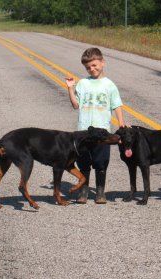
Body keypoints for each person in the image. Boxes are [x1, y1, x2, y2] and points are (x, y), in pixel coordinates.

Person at [66, 47, 125, 204]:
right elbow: (75, 105)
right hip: (83, 132)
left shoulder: (109, 85)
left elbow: (117, 105)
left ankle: (100, 192)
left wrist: (121, 122)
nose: (91, 69)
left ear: (102, 63)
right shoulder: (83, 83)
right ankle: (84, 191)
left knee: (101, 162)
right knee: (83, 162)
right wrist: (70, 88)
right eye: (88, 67)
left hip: (102, 133)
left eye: (94, 65)